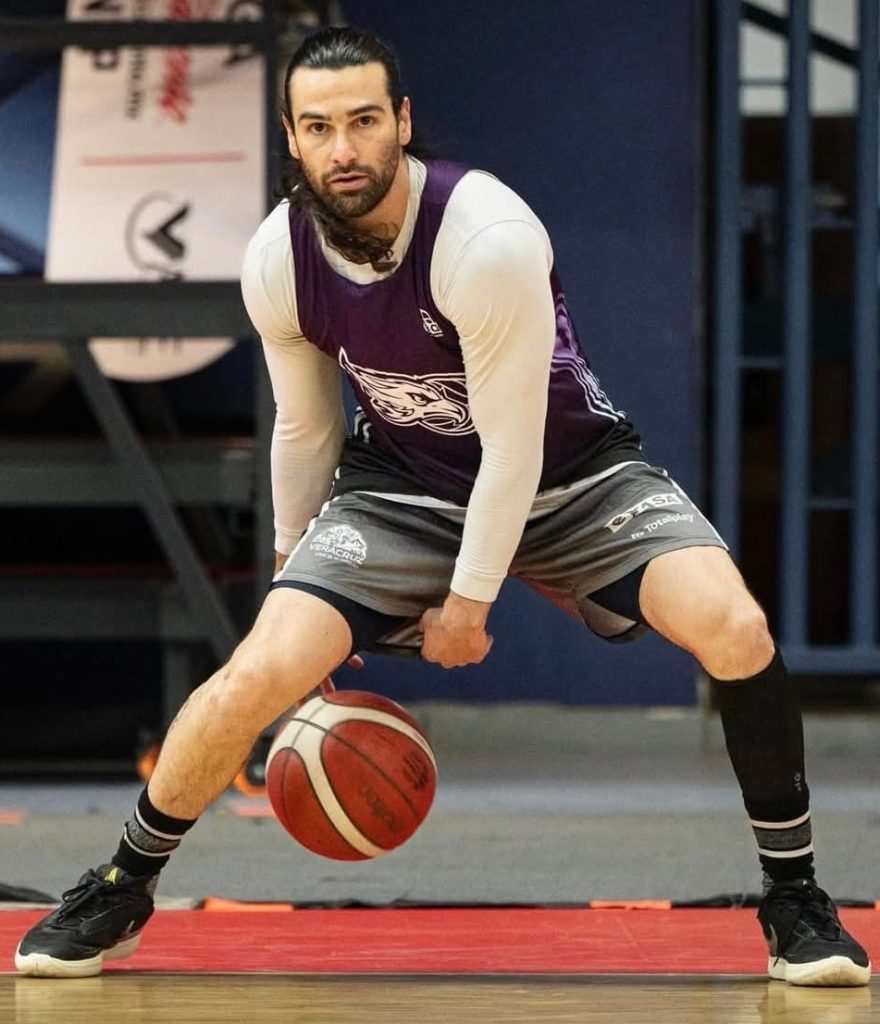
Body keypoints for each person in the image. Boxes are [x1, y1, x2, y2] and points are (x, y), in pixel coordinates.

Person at [15, 26, 869, 987]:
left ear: (402, 122)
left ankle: (795, 899)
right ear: (291, 138)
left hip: (573, 476)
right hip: (404, 488)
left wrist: (468, 604)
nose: (344, 148)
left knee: (736, 628)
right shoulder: (278, 256)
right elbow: (305, 428)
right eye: (319, 127)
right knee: (257, 669)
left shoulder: (483, 236)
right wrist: (296, 573)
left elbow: (513, 450)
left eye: (364, 121)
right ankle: (121, 885)